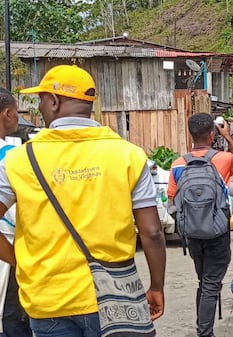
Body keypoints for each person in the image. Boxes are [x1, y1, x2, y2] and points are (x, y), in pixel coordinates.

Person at [0, 65, 166, 336]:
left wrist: (20, 261)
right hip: (116, 297)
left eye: (41, 98)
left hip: (49, 300)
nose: (39, 106)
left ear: (53, 101)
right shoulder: (128, 156)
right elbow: (152, 231)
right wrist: (156, 285)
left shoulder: (18, 160)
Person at [168, 113, 233, 337]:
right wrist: (228, 138)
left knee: (204, 282)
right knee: (211, 283)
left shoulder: (177, 164)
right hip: (217, 231)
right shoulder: (223, 159)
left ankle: (204, 327)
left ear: (190, 135)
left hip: (191, 233)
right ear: (212, 134)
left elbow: (173, 199)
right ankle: (205, 333)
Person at [0, 88, 32, 337]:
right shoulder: (13, 159)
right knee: (13, 316)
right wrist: (17, 261)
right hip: (8, 249)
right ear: (8, 113)